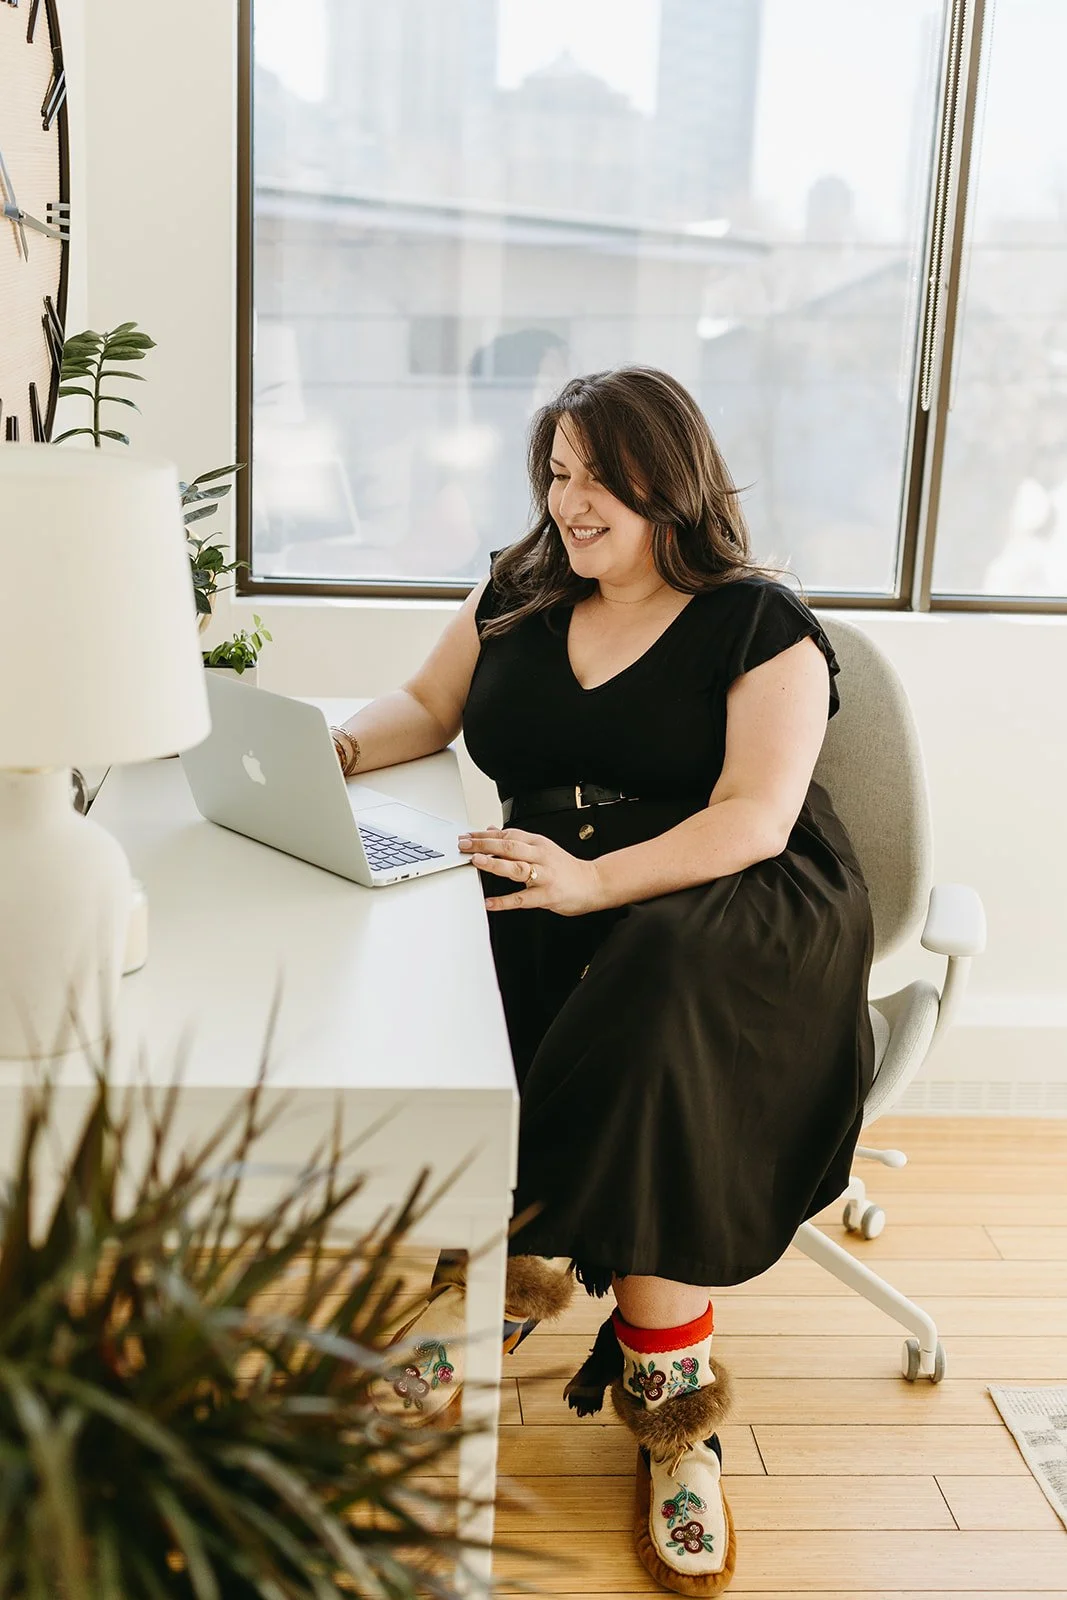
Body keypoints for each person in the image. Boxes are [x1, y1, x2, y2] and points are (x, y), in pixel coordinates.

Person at [329, 367, 875, 1596]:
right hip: (553, 881)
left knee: (654, 971)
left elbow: (749, 817)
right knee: (459, 940)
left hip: (733, 897)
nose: (568, 502)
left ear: (665, 481)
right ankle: (573, 1330)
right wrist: (345, 747)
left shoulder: (758, 619)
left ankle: (598, 1348)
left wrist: (594, 881)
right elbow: (426, 702)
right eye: (557, 472)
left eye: (595, 476)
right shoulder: (515, 592)